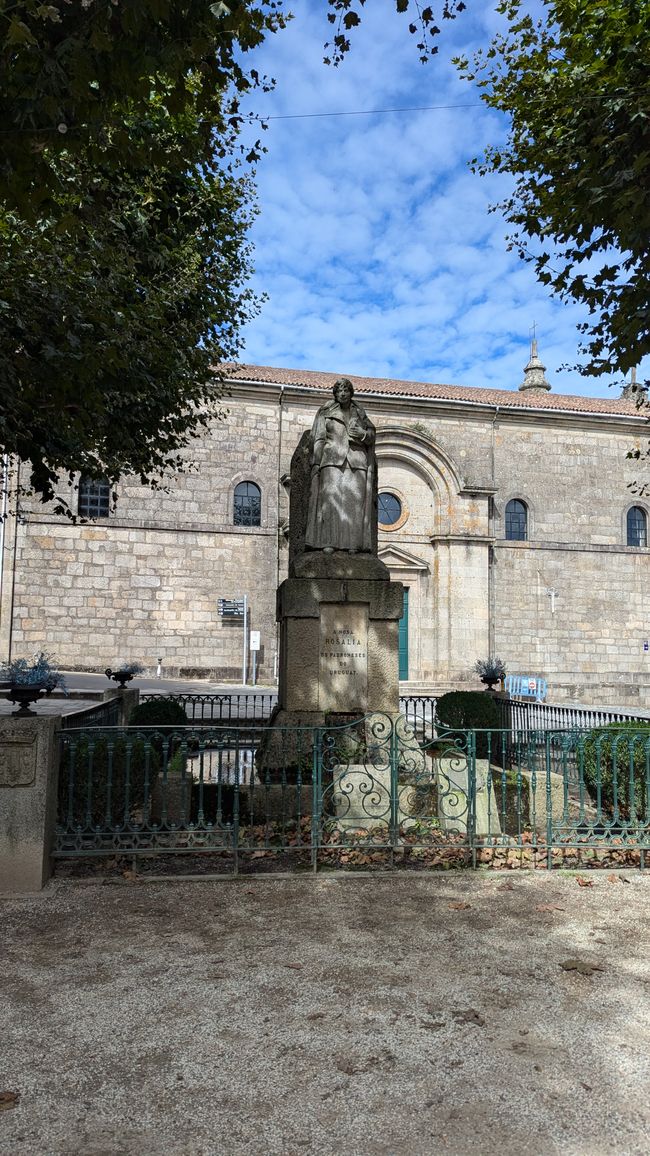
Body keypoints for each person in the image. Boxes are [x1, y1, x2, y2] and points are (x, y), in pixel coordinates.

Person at [305, 378, 376, 553]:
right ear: (335, 394)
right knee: (330, 502)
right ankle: (328, 542)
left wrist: (363, 434)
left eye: (346, 390)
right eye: (340, 391)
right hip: (331, 459)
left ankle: (354, 545)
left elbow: (372, 434)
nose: (343, 393)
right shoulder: (326, 411)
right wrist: (315, 462)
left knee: (354, 505)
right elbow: (319, 438)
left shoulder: (359, 412)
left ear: (351, 392)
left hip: (356, 459)